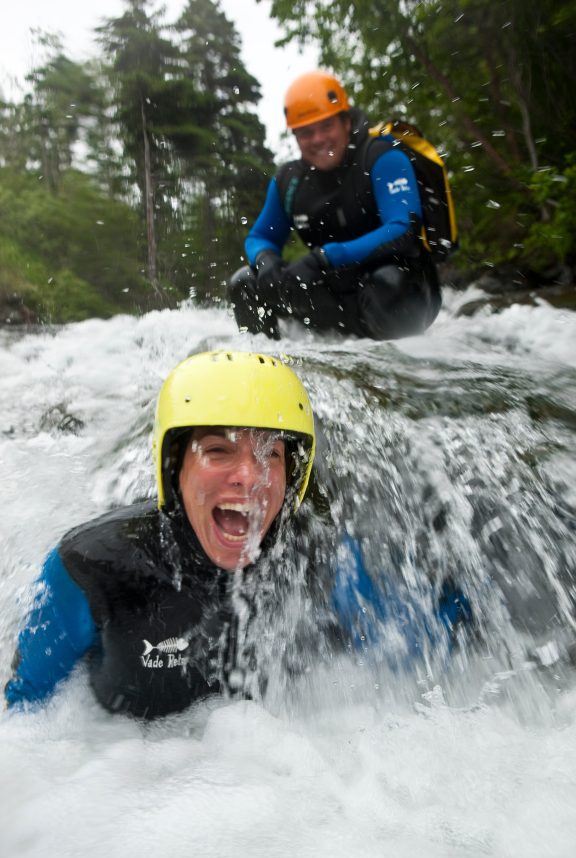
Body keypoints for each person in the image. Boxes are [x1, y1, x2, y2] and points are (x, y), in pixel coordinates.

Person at [4, 350, 317, 720]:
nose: (249, 477)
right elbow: (25, 717)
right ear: (174, 467)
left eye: (271, 455)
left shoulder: (313, 557)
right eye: (218, 451)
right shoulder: (91, 569)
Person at [229, 70, 442, 341]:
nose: (318, 139)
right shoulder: (289, 180)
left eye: (326, 126)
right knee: (245, 282)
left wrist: (325, 258)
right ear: (295, 137)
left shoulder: (382, 157)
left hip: (401, 290)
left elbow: (403, 229)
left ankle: (397, 373)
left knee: (388, 284)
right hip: (338, 293)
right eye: (306, 133)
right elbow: (260, 237)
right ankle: (266, 366)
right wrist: (265, 259)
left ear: (345, 121)